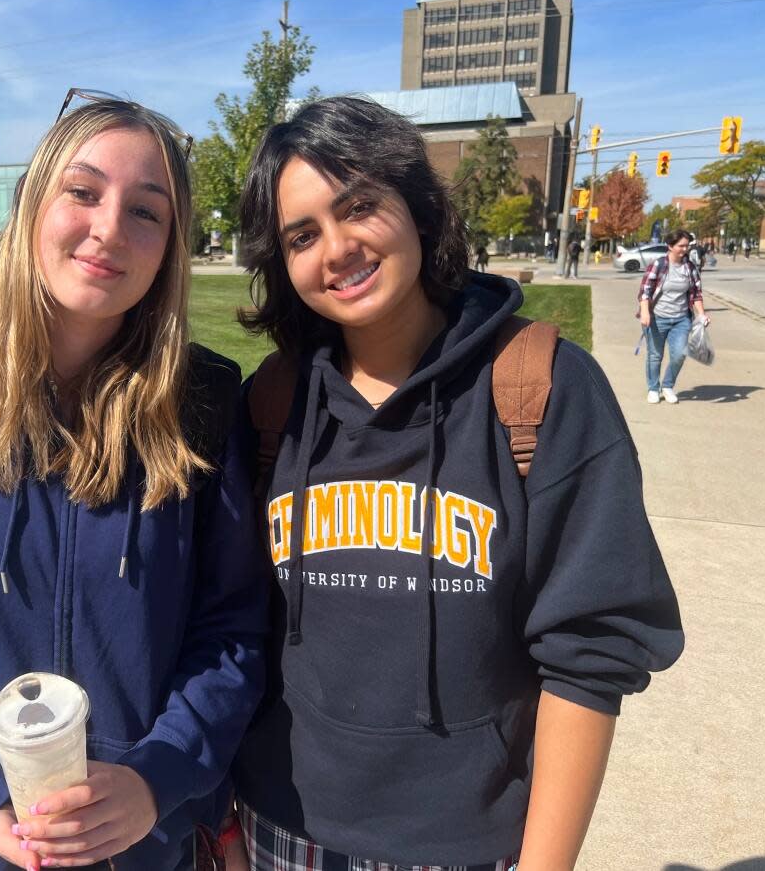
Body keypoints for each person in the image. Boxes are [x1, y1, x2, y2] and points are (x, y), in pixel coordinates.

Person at [226, 96, 683, 871]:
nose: (336, 249)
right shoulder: (275, 403)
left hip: (468, 848)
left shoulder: (542, 390)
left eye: (359, 206)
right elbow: (233, 629)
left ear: (416, 204)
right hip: (283, 830)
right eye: (303, 235)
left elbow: (591, 652)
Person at [0, 94, 267, 871]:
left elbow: (232, 632)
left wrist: (155, 779)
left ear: (169, 247)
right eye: (84, 191)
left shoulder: (204, 401)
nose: (108, 229)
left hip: (149, 843)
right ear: (34, 204)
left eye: (146, 212)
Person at [639, 229, 709, 404]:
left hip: (681, 319)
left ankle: (668, 386)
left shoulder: (690, 267)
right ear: (670, 246)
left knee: (679, 354)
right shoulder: (659, 265)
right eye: (681, 246)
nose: (685, 249)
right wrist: (646, 312)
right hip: (657, 318)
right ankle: (653, 388)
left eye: (687, 245)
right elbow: (644, 292)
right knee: (655, 355)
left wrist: (701, 314)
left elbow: (696, 294)